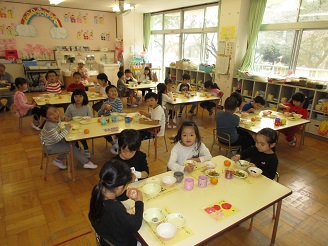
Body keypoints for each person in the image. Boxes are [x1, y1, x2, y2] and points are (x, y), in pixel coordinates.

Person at [88, 159, 143, 246]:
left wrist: (125, 194)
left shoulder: (98, 191)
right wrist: (139, 202)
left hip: (105, 239)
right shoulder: (115, 207)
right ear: (119, 187)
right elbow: (135, 225)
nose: (126, 188)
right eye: (125, 186)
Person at [40, 105, 97, 169]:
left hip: (53, 142)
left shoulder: (54, 120)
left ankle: (58, 160)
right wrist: (67, 129)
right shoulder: (49, 125)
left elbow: (60, 119)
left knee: (72, 141)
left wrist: (64, 118)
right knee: (71, 147)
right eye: (51, 114)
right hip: (50, 147)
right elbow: (57, 139)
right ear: (47, 118)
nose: (55, 115)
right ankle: (86, 162)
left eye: (55, 111)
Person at [63, 89, 93, 158]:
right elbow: (64, 116)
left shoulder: (86, 106)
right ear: (73, 97)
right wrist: (65, 118)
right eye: (76, 96)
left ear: (84, 97)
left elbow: (91, 117)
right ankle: (77, 148)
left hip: (85, 126)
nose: (78, 99)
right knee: (74, 136)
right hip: (74, 126)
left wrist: (86, 119)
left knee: (81, 136)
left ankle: (86, 149)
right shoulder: (71, 106)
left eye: (80, 96)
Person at [97, 85, 123, 155]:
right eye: (111, 91)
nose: (114, 92)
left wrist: (111, 109)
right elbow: (99, 114)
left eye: (115, 91)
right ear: (107, 94)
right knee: (103, 131)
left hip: (118, 121)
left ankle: (118, 144)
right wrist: (103, 108)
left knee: (118, 131)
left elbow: (120, 112)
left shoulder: (118, 101)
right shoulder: (105, 103)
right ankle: (113, 143)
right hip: (109, 121)